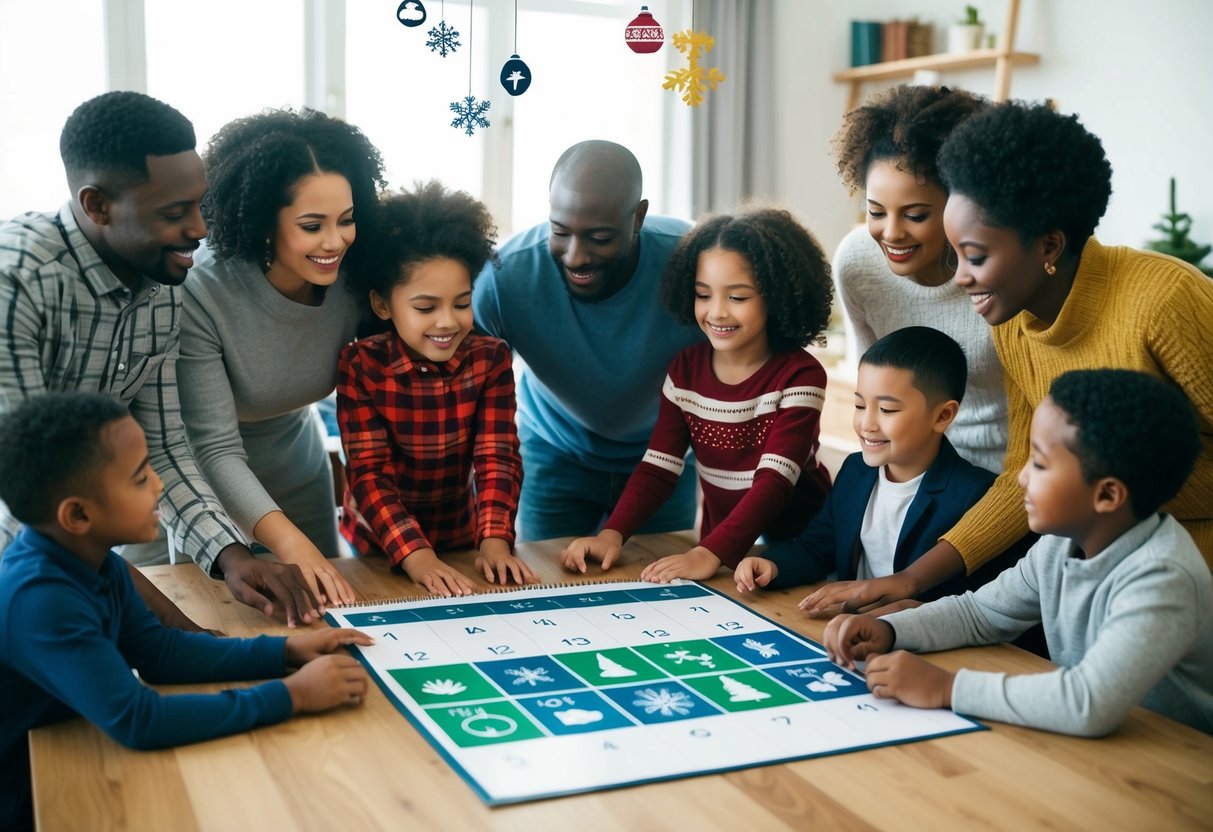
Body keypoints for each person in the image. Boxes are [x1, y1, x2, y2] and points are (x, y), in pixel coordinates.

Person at [801, 100, 1213, 616]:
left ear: (1049, 247)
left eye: (974, 256)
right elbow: (1022, 473)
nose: (961, 277)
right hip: (1103, 553)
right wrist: (910, 581)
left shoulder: (1163, 298)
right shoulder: (1015, 323)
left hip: (1180, 562)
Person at [0, 92, 321, 629]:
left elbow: (167, 449)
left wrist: (233, 557)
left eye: (199, 203)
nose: (200, 228)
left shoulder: (161, 280)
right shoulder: (19, 281)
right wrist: (169, 627)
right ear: (97, 205)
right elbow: (25, 498)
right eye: (175, 213)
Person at [0, 392, 373, 831]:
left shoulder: (97, 560)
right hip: (29, 796)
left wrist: (284, 651)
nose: (159, 485)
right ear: (78, 514)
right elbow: (139, 721)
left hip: (72, 746)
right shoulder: (41, 598)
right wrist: (292, 696)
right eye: (140, 479)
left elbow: (161, 655)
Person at [824, 370, 1213, 737]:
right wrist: (892, 630)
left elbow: (1088, 701)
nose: (1022, 477)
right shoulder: (1061, 543)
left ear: (1108, 495)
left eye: (1040, 464)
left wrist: (947, 688)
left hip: (1173, 762)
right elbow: (979, 613)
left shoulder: (1163, 576)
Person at [180, 108, 387, 609]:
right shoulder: (201, 290)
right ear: (263, 224)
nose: (335, 241)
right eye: (312, 225)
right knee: (210, 626)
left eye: (347, 219)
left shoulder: (360, 275)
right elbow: (212, 447)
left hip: (298, 464)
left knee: (320, 617)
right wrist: (293, 547)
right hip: (198, 479)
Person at [560, 206, 834, 582]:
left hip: (800, 550)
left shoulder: (801, 375)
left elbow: (774, 482)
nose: (716, 312)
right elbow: (658, 467)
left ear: (778, 296)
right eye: (703, 294)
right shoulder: (685, 370)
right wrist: (612, 534)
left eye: (737, 298)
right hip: (720, 553)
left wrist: (708, 554)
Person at [472, 140, 705, 541]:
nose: (576, 256)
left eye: (599, 237)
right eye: (560, 232)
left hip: (663, 459)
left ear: (638, 217)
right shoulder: (505, 276)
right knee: (546, 587)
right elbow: (464, 388)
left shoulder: (691, 262)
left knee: (668, 590)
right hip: (553, 453)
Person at [338, 182, 534, 597]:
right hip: (379, 544)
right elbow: (369, 474)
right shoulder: (360, 366)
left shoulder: (491, 359)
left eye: (461, 303)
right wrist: (417, 556)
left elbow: (497, 455)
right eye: (426, 308)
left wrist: (495, 540)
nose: (448, 322)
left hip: (462, 536)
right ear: (382, 305)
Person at [735, 327, 996, 601]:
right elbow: (817, 549)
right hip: (847, 628)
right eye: (859, 406)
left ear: (942, 415)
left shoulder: (974, 495)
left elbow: (973, 603)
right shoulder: (856, 470)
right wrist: (774, 566)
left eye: (887, 410)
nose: (867, 424)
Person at [831, 84, 1006, 473]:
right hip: (918, 471)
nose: (891, 233)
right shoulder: (857, 262)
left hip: (1012, 473)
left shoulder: (1003, 273)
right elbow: (873, 388)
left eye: (915, 216)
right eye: (876, 212)